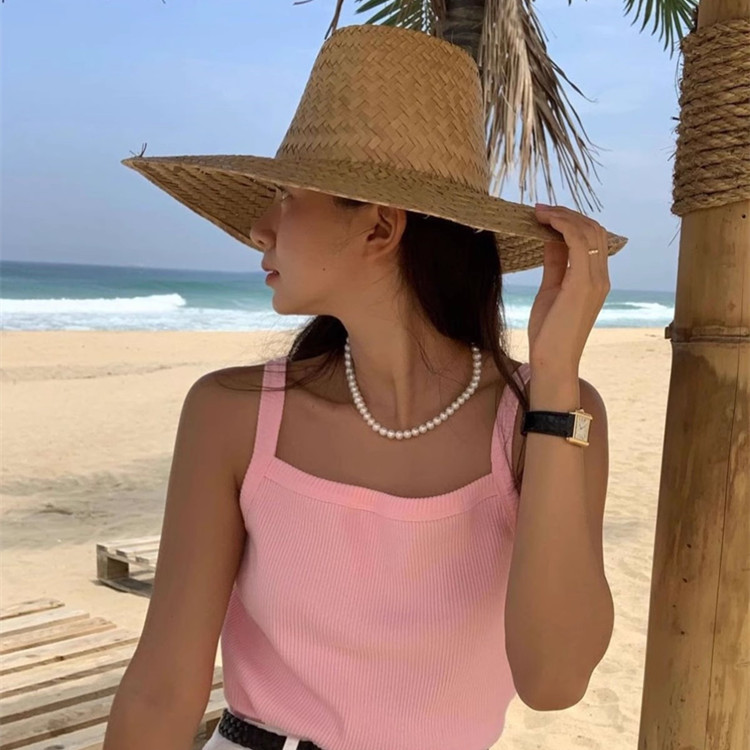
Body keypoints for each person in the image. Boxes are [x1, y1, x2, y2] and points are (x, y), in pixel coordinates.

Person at [105, 22, 626, 750]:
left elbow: (554, 680)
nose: (259, 228)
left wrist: (557, 381)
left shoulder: (548, 415)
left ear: (379, 229)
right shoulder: (232, 415)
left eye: (286, 195)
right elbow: (161, 689)